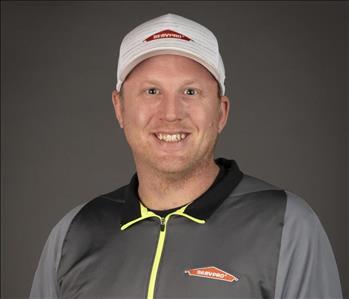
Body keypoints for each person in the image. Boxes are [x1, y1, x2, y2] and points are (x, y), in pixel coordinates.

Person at [30, 13, 343, 299]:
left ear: (221, 112)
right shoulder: (73, 233)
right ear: (119, 107)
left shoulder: (287, 224)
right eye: (152, 91)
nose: (170, 114)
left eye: (190, 92)